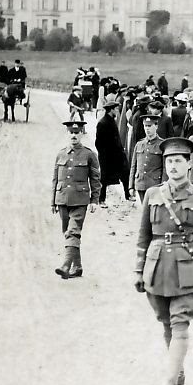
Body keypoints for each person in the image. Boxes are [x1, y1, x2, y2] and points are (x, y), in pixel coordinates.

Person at [133, 137, 193, 385]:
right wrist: (138, 270)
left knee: (180, 323)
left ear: (189, 164)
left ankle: (167, 382)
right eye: (169, 161)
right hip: (156, 268)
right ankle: (177, 369)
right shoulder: (152, 195)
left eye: (178, 161)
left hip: (188, 268)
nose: (173, 166)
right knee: (166, 322)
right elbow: (143, 235)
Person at [51, 120, 101, 279]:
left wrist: (94, 200)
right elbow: (55, 179)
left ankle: (66, 265)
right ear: (67, 134)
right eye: (71, 132)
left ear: (81, 134)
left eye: (77, 132)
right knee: (69, 233)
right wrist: (53, 201)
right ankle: (77, 267)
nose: (73, 135)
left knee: (73, 231)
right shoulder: (60, 154)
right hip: (62, 199)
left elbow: (95, 178)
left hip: (80, 200)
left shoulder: (89, 154)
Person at [95, 100, 133, 206]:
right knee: (104, 178)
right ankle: (101, 199)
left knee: (125, 173)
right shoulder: (103, 123)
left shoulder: (111, 120)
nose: (117, 110)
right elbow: (98, 143)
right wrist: (105, 155)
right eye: (115, 108)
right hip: (108, 157)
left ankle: (127, 195)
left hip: (117, 155)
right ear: (110, 110)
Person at [129, 115, 166, 203]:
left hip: (155, 185)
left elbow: (165, 168)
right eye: (145, 126)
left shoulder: (162, 145)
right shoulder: (139, 144)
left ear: (156, 126)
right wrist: (131, 186)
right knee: (144, 210)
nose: (147, 129)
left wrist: (163, 186)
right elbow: (133, 166)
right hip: (140, 183)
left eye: (150, 126)